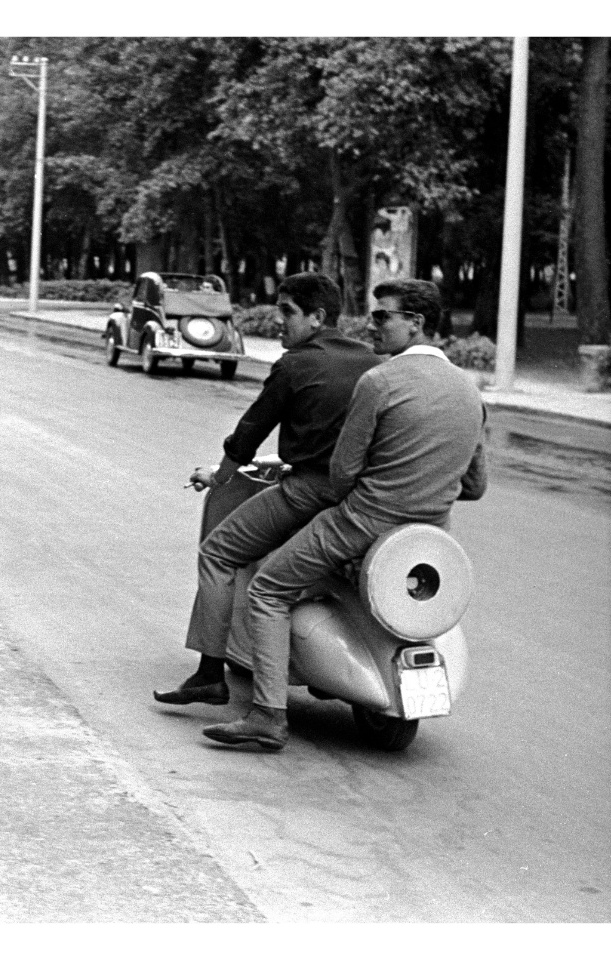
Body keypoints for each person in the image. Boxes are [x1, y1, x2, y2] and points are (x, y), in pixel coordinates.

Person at [203, 278, 487, 750]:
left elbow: (341, 475)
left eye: (381, 316)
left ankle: (268, 715)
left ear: (414, 324)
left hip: (358, 525)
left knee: (269, 589)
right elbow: (474, 486)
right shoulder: (468, 391)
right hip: (425, 539)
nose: (370, 325)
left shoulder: (379, 382)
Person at [154, 273, 381, 707]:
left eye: (288, 312)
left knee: (218, 553)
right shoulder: (372, 362)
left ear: (316, 317)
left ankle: (209, 673)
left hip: (309, 490)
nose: (280, 322)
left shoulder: (295, 364)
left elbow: (251, 431)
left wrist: (220, 475)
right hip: (359, 496)